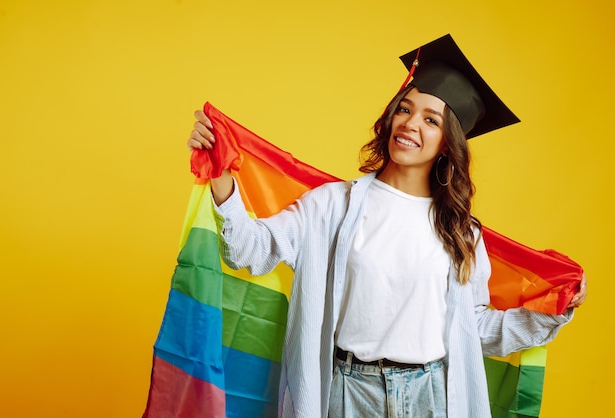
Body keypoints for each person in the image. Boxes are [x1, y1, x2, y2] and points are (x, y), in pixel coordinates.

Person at [187, 34, 588, 418]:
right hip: (349, 391)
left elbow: (475, 327)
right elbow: (248, 251)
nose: (411, 124)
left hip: (431, 394)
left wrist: (551, 311)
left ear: (448, 143)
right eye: (405, 109)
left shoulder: (462, 233)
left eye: (431, 120)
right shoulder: (332, 206)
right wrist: (222, 179)